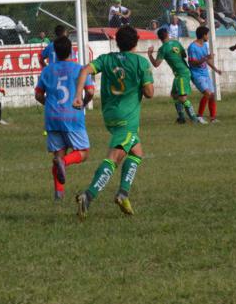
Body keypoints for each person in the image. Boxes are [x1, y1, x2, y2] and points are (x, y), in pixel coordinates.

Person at [73, 25, 154, 218]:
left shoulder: (106, 59)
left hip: (110, 116)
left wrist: (78, 95)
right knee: (113, 159)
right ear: (136, 42)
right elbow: (150, 93)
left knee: (136, 153)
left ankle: (123, 193)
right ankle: (88, 196)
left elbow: (84, 70)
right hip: (127, 118)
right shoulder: (141, 62)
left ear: (117, 42)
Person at [35, 36, 94, 201]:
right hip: (73, 116)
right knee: (83, 152)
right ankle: (65, 162)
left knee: (58, 155)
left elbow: (38, 95)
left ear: (55, 51)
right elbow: (90, 91)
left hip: (52, 117)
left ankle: (59, 195)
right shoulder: (80, 69)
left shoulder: (47, 70)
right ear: (71, 51)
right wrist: (84, 104)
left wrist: (48, 105)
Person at [149, 27, 204, 125]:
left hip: (181, 74)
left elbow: (156, 64)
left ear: (159, 38)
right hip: (182, 73)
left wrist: (150, 54)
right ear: (167, 34)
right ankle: (181, 118)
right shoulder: (176, 43)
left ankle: (194, 119)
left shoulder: (163, 49)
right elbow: (184, 55)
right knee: (174, 95)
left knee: (182, 98)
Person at [188, 25, 221, 122]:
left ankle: (213, 118)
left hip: (205, 74)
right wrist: (206, 58)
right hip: (197, 74)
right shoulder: (192, 47)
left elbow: (206, 60)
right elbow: (192, 63)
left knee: (212, 95)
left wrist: (216, 69)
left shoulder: (204, 45)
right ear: (203, 35)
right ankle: (199, 116)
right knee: (207, 93)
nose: (208, 36)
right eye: (207, 35)